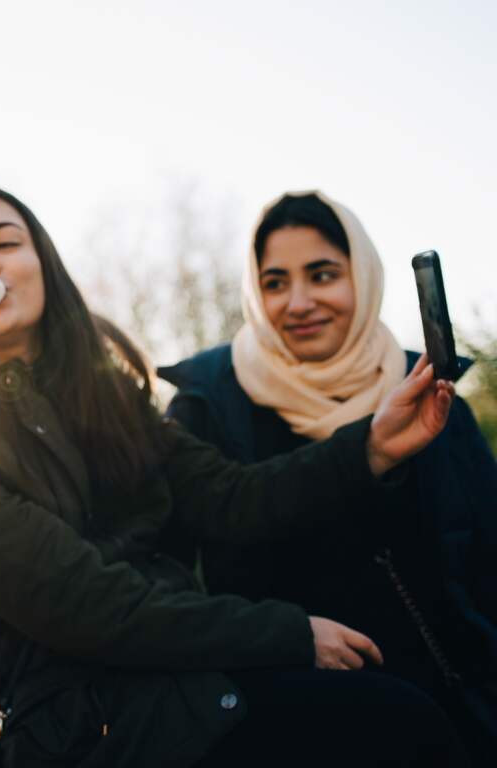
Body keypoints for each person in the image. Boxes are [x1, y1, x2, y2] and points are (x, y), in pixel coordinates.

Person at [0, 185, 465, 767]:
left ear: (44, 266)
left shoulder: (105, 393)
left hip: (168, 676)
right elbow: (85, 603)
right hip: (55, 720)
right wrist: (289, 634)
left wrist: (373, 448)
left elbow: (229, 496)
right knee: (397, 725)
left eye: (6, 242)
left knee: (408, 714)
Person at [160, 190, 497, 764]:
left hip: (449, 713)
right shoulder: (205, 406)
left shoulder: (428, 393)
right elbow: (170, 583)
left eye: (322, 274)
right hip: (287, 723)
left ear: (362, 277)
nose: (299, 302)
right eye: (274, 283)